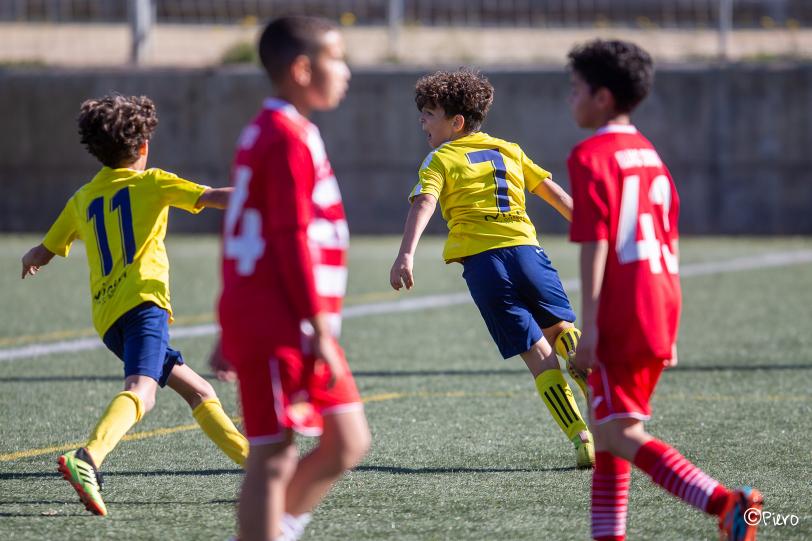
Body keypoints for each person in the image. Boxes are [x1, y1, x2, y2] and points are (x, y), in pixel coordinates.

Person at [566, 39, 763, 541]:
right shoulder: (651, 155)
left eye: (576, 89)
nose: (571, 100)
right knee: (610, 441)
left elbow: (597, 247)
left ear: (603, 97)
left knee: (615, 433)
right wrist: (669, 327)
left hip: (620, 312)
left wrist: (589, 331)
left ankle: (725, 502)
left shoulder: (591, 156)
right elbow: (668, 243)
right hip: (658, 305)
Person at [20, 95, 249, 517]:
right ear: (143, 146)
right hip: (145, 305)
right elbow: (214, 196)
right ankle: (88, 458)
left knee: (199, 390)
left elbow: (47, 247)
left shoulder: (83, 197)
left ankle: (258, 469)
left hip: (108, 319)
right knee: (142, 390)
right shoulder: (154, 182)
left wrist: (33, 257)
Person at [209, 16, 371, 541]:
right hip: (284, 321)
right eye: (337, 58)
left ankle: (279, 529)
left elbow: (246, 234)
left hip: (283, 317)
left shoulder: (284, 129)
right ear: (303, 69)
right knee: (274, 455)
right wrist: (319, 328)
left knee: (348, 440)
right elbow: (287, 238)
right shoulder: (283, 136)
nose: (345, 71)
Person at [389, 68, 594, 469]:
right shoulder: (508, 149)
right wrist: (590, 225)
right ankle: (592, 379)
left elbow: (424, 202)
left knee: (537, 355)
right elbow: (550, 191)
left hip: (485, 267)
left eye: (429, 114)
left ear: (456, 122)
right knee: (561, 331)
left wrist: (406, 254)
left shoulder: (440, 157)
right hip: (527, 254)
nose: (422, 122)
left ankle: (581, 437)